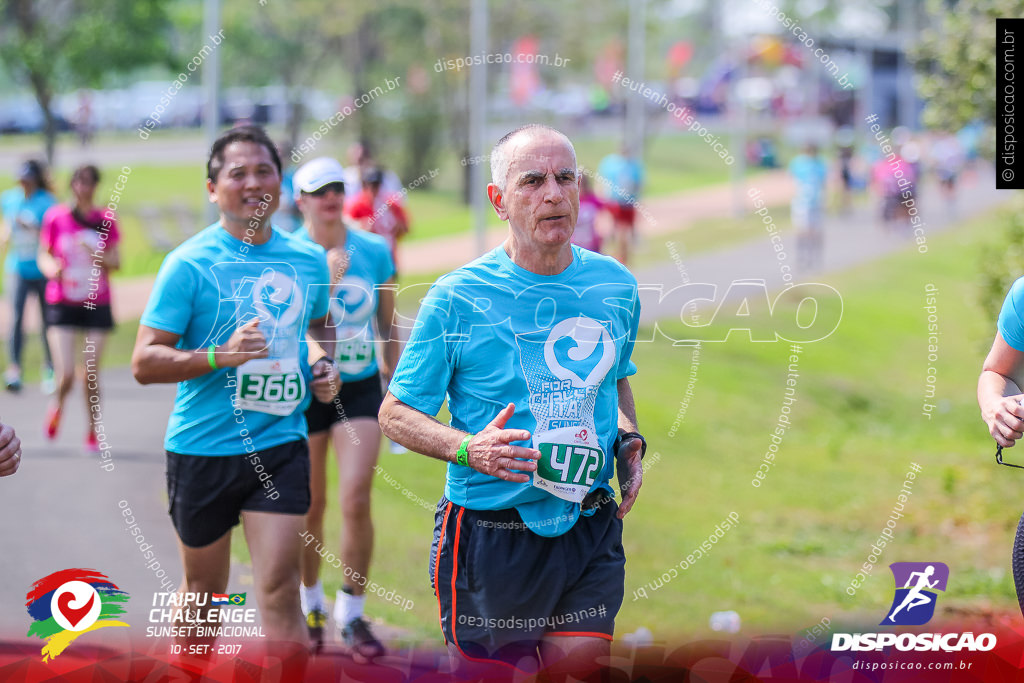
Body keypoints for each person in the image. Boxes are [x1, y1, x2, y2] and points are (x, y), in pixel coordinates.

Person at [379, 124, 645, 677]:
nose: (553, 193)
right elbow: (395, 414)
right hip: (490, 534)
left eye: (565, 177)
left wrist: (628, 440)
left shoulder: (614, 286)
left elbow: (614, 379)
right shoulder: (457, 298)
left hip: (587, 524)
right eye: (532, 181)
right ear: (499, 200)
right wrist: (468, 448)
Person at [130, 126, 341, 651]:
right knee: (205, 593)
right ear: (212, 189)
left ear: (281, 181)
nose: (253, 183)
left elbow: (318, 325)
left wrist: (321, 365)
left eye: (264, 171)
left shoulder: (306, 259)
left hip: (280, 443)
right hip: (203, 448)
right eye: (237, 173)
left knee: (278, 590)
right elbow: (143, 361)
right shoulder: (188, 263)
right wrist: (220, 355)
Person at [290, 157, 399, 660]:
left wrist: (399, 395)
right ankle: (308, 601)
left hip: (358, 391)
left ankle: (352, 614)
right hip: (303, 390)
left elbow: (389, 326)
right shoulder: (286, 252)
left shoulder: (374, 250)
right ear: (301, 200)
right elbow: (287, 327)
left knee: (355, 497)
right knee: (311, 503)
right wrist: (327, 280)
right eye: (319, 190)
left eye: (337, 187)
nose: (331, 197)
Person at [38, 165, 120, 450]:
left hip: (96, 301)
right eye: (78, 182)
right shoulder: (56, 217)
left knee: (91, 373)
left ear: (95, 186)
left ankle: (93, 429)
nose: (83, 188)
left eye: (88, 183)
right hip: (62, 301)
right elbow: (44, 255)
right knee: (66, 374)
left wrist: (96, 254)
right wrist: (52, 269)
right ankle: (57, 405)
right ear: (71, 185)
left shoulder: (105, 219)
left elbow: (116, 262)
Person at [1, 160, 56, 393]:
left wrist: (31, 227)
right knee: (16, 319)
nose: (23, 183)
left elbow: (51, 234)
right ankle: (14, 368)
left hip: (42, 269)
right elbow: (5, 228)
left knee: (46, 321)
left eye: (27, 178)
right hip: (17, 268)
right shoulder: (9, 198)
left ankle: (49, 368)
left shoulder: (47, 202)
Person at [345, 167, 409, 274]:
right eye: (370, 185)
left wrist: (398, 227)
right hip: (365, 259)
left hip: (389, 257)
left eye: (377, 185)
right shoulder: (356, 205)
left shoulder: (391, 204)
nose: (373, 189)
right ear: (364, 185)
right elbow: (345, 229)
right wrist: (360, 226)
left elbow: (405, 229)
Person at [596, 146, 644, 265]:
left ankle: (621, 253)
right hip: (621, 202)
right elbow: (637, 184)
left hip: (619, 201)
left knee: (621, 228)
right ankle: (622, 255)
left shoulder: (611, 163)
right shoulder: (630, 165)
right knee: (622, 229)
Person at [788, 144, 828, 269]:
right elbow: (793, 181)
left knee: (816, 231)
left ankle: (815, 256)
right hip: (802, 202)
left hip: (816, 201)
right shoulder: (798, 163)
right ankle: (802, 256)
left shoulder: (820, 164)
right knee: (802, 231)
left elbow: (823, 183)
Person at [571, 173, 603, 253]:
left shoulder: (592, 199)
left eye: (583, 185)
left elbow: (605, 211)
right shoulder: (571, 200)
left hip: (591, 240)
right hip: (574, 242)